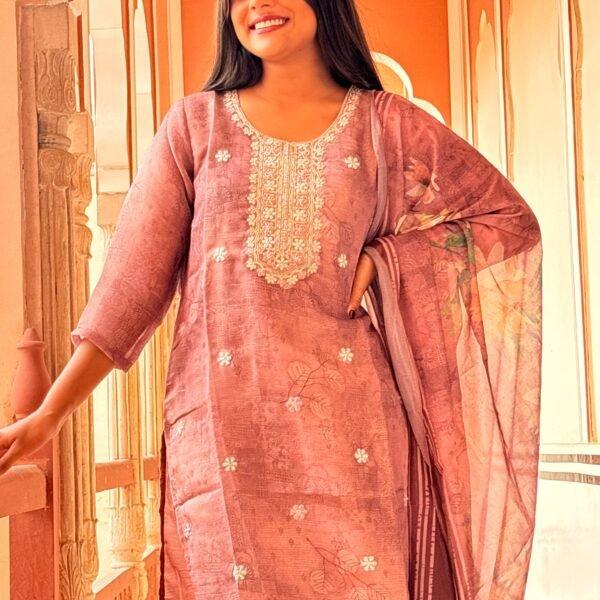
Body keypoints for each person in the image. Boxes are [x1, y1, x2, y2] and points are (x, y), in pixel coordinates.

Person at [0, 0, 543, 598]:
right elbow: (130, 288)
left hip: (354, 436)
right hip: (223, 440)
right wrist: (51, 412)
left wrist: (386, 259)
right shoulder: (196, 127)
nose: (259, 4)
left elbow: (507, 221)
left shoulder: (386, 125)